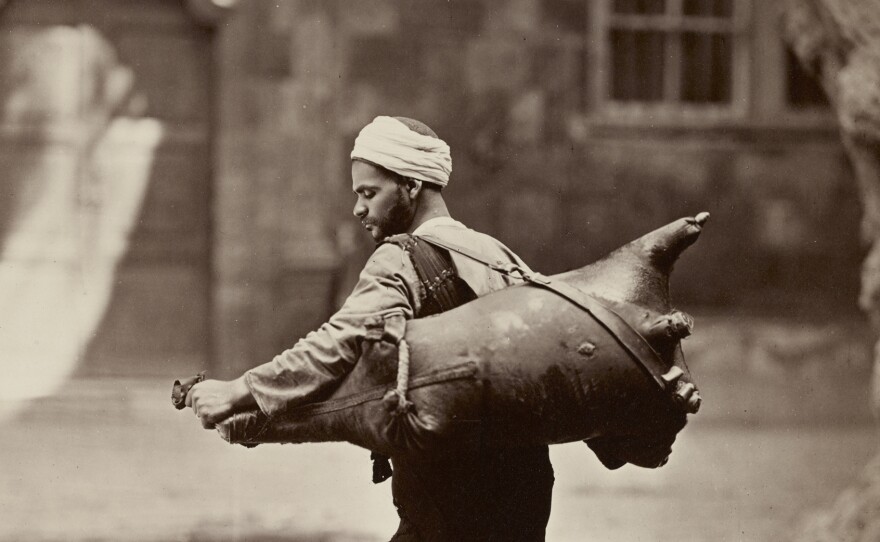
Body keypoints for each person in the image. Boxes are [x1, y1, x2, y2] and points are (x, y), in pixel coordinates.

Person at [186, 116, 554, 541]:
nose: (358, 208)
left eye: (369, 193)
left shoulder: (399, 259)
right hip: (525, 486)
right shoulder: (497, 254)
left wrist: (237, 391)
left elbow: (336, 346)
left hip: (448, 492)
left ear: (412, 186)